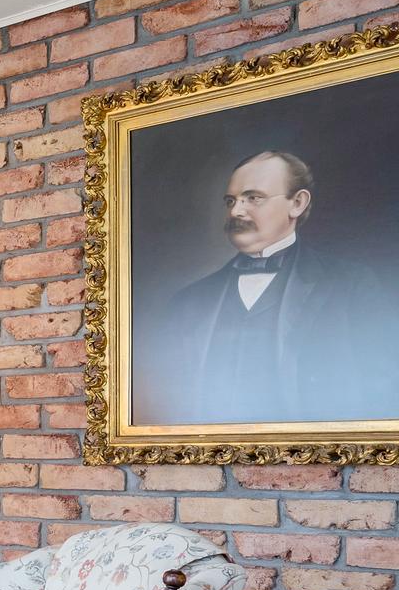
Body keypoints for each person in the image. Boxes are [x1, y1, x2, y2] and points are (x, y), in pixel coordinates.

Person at [147, 149, 395, 426]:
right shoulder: (188, 302)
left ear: (297, 203)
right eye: (231, 201)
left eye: (253, 198)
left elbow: (382, 391)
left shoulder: (351, 286)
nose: (236, 211)